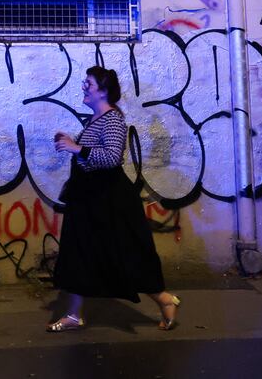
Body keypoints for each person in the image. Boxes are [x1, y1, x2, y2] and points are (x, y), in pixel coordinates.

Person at [48, 65, 181, 333]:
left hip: (108, 201)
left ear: (104, 90)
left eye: (89, 83)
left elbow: (110, 157)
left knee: (125, 253)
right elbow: (93, 151)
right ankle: (74, 314)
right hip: (90, 198)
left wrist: (77, 148)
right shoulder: (97, 119)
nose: (84, 87)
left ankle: (165, 299)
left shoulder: (112, 120)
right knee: (79, 252)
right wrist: (72, 142)